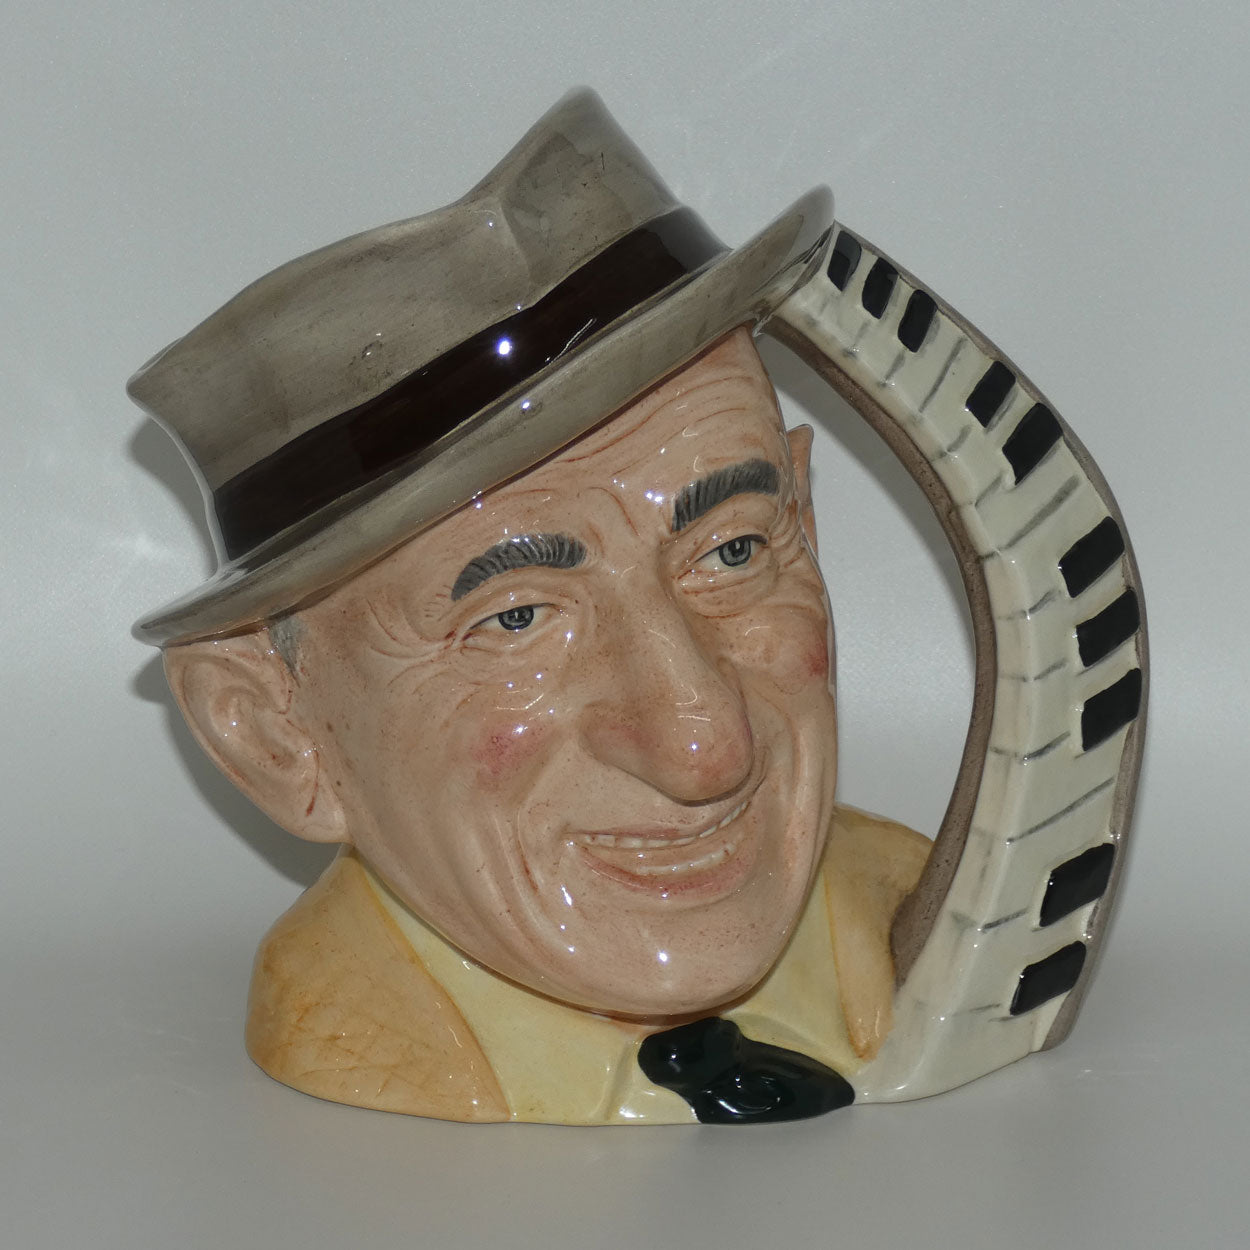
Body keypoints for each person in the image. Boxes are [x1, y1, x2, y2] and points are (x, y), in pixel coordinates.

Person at [130, 90, 929, 1124]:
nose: (705, 747)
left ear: (803, 525)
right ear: (276, 734)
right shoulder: (363, 1067)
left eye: (733, 550)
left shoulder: (928, 910)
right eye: (515, 619)